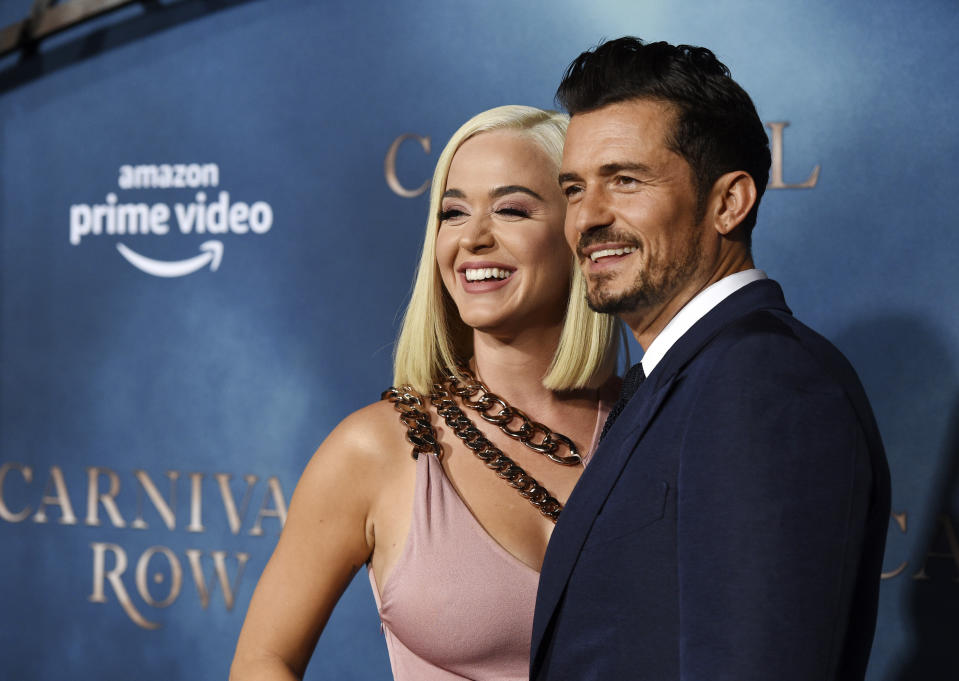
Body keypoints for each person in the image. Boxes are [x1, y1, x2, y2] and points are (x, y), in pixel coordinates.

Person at [531, 38, 891, 681]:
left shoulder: (765, 381)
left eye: (625, 180)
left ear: (729, 202)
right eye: (574, 187)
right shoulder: (678, 379)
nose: (587, 217)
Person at [230, 105, 621, 681]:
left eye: (511, 209)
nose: (473, 238)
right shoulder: (374, 449)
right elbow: (263, 660)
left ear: (576, 232)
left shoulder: (655, 423)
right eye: (453, 212)